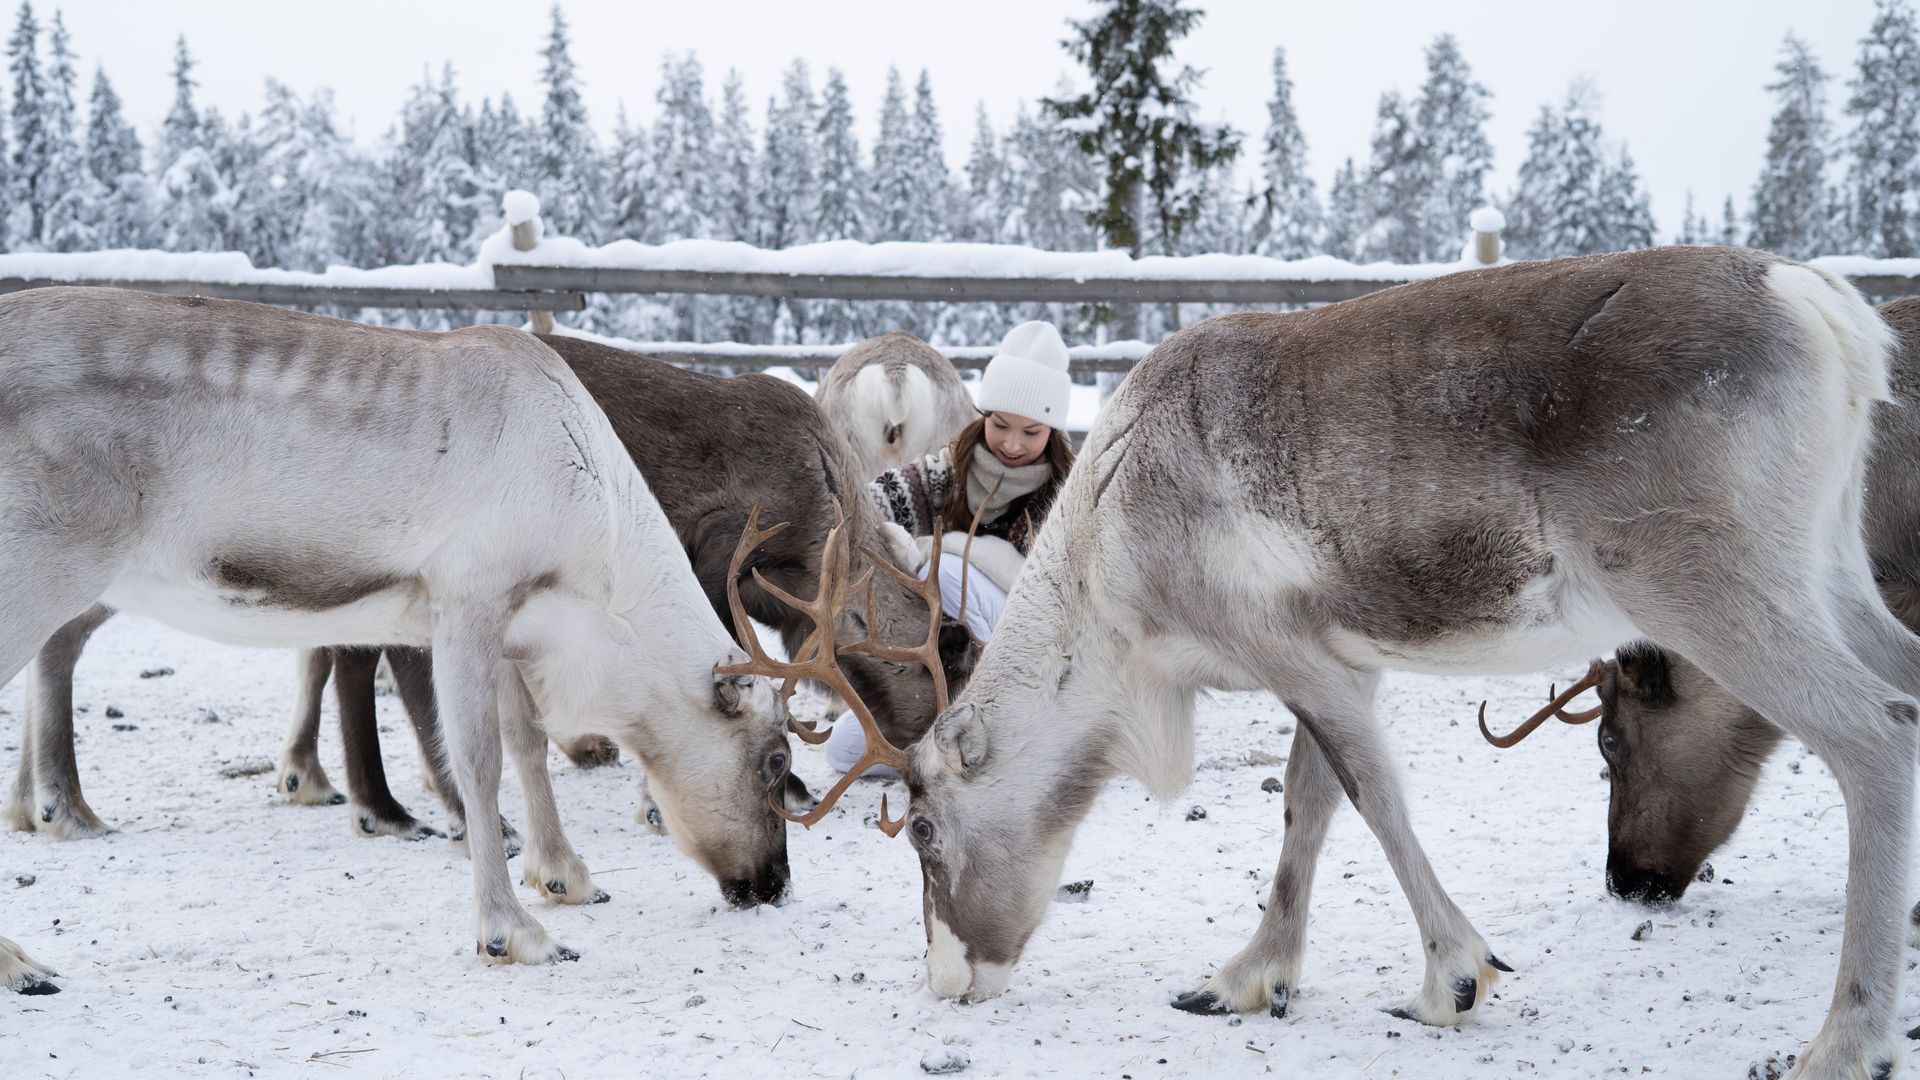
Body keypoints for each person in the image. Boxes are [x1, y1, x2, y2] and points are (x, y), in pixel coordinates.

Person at [825, 320, 1078, 775]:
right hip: (943, 657)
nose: (1012, 444)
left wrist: (947, 548)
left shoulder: (1068, 495)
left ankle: (1013, 724)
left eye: (1031, 432)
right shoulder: (951, 468)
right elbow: (872, 506)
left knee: (943, 567)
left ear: (1052, 431)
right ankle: (949, 729)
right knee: (843, 753)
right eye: (1000, 424)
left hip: (1034, 653)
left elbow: (1056, 595)